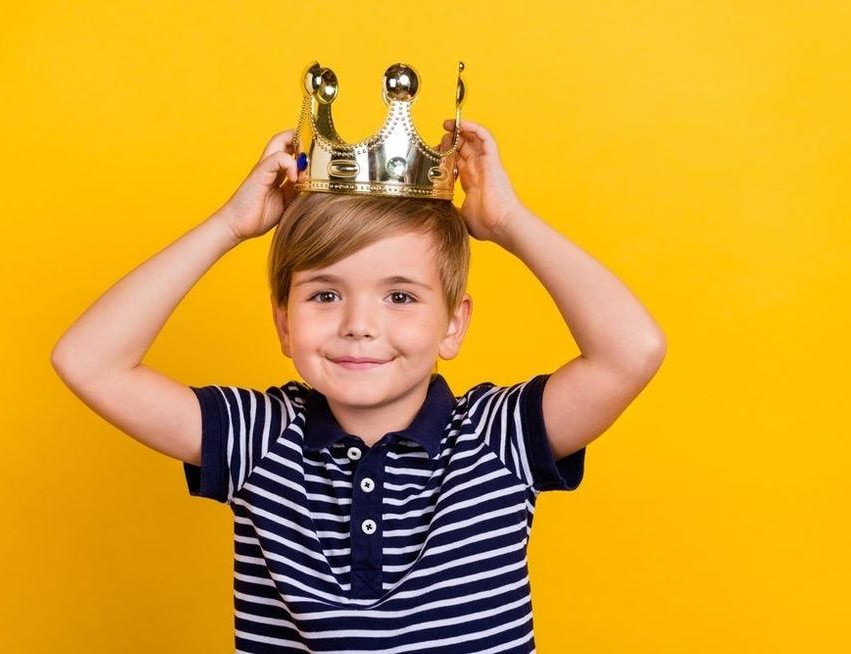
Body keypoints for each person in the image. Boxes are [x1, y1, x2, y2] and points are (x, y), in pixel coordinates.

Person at [51, 116, 666, 652]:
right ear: (284, 324)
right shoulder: (258, 439)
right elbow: (89, 360)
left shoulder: (498, 437)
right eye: (325, 294)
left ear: (454, 325)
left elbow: (631, 351)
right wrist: (229, 226)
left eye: (400, 296)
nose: (359, 326)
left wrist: (507, 220)